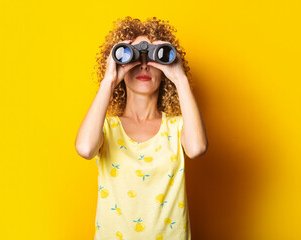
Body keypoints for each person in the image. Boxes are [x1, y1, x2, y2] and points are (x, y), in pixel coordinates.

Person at [75, 16, 208, 240]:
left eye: (153, 58)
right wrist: (109, 80)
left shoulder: (177, 128)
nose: (144, 64)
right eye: (135, 57)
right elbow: (85, 149)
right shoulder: (107, 129)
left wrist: (179, 76)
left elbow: (196, 148)